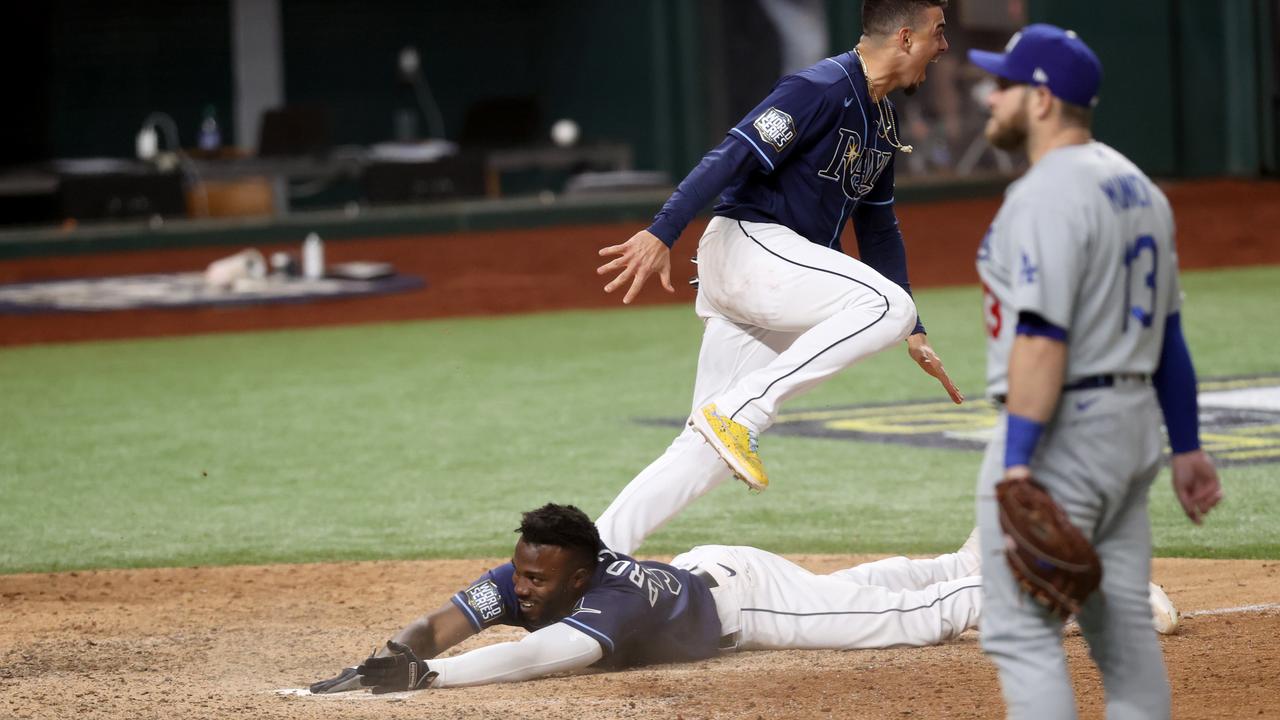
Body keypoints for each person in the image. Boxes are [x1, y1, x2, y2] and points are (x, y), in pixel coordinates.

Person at [594, 0, 964, 555]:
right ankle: (746, 410)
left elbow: (879, 228)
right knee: (885, 306)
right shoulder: (819, 87)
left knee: (708, 451)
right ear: (905, 37)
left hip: (774, 276)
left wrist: (916, 331)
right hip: (749, 245)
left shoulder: (882, 117)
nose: (944, 46)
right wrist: (662, 231)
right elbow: (730, 157)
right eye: (938, 33)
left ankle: (592, 554)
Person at [966, 25, 1223, 719]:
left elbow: (1042, 339)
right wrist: (1188, 444)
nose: (990, 94)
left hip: (1062, 438)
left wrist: (1018, 463)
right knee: (1126, 637)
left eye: (1006, 84)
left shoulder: (1044, 194)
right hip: (1132, 435)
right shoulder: (1140, 187)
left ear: (1042, 101)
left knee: (1021, 633)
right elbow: (1169, 335)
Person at [308, 503, 983, 693]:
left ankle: (1041, 589)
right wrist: (398, 651)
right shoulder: (534, 572)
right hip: (717, 571)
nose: (522, 588)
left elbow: (542, 656)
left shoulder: (611, 600)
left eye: (538, 581)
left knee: (904, 622)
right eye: (520, 574)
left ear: (580, 577)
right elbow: (445, 620)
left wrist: (430, 675)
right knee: (846, 595)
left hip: (747, 606)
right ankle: (968, 565)